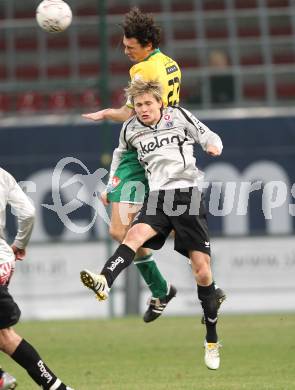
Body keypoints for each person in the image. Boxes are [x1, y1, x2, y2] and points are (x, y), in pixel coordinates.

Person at [83, 7, 226, 322]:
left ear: (146, 44)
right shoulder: (171, 64)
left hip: (144, 149)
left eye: (129, 46)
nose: (125, 51)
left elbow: (136, 112)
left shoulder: (141, 71)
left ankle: (165, 289)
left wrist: (107, 113)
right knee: (142, 228)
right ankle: (187, 287)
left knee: (122, 230)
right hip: (169, 147)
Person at [81, 79, 223, 369]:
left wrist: (212, 145)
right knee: (131, 235)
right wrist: (111, 187)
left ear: (160, 103)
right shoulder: (130, 128)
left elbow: (209, 135)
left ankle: (211, 340)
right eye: (139, 105)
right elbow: (120, 157)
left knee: (202, 272)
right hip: (158, 197)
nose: (144, 109)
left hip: (186, 196)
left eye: (148, 103)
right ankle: (104, 280)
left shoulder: (179, 116)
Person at [0, 168, 74, 390]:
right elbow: (28, 213)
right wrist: (20, 244)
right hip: (3, 259)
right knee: (4, 335)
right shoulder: (2, 174)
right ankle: (56, 387)